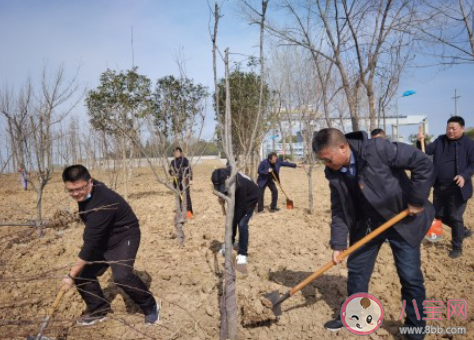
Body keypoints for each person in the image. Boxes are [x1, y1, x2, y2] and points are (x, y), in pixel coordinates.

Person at [312, 128, 434, 339]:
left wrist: (417, 199)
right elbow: (339, 208)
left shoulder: (377, 149)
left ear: (343, 147)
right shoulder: (333, 171)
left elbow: (423, 162)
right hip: (369, 221)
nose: (326, 165)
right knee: (357, 268)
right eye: (323, 161)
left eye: (328, 159)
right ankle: (355, 313)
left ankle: (415, 327)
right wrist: (339, 244)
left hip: (402, 217)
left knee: (410, 276)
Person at [61, 165, 159, 326]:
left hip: (124, 235)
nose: (75, 194)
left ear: (90, 182)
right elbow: (92, 234)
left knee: (122, 275)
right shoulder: (88, 192)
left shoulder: (102, 202)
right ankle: (99, 310)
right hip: (104, 236)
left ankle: (151, 306)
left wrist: (70, 276)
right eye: (70, 190)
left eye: (79, 189)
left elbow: (89, 245)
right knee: (83, 273)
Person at [417, 116, 474, 258]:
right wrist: (420, 142)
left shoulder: (469, 144)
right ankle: (462, 230)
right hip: (440, 186)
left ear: (462, 128)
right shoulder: (440, 140)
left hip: (458, 187)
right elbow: (426, 152)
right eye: (448, 128)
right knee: (438, 215)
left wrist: (464, 175)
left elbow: (473, 164)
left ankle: (457, 247)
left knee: (455, 216)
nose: (450, 131)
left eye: (453, 129)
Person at [211, 167, 260, 265]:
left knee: (241, 223)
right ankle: (231, 242)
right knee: (232, 219)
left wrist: (233, 219)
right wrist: (221, 197)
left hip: (250, 198)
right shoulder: (222, 176)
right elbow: (222, 191)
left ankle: (242, 254)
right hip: (237, 196)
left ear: (228, 178)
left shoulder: (240, 184)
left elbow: (241, 207)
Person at [169, 147, 193, 218]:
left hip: (185, 181)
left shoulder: (185, 160)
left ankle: (189, 213)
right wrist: (172, 173)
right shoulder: (172, 162)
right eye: (175, 152)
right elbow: (170, 170)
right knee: (179, 197)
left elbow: (189, 170)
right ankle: (182, 212)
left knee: (187, 197)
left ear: (180, 152)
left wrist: (190, 179)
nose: (176, 153)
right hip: (176, 182)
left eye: (177, 152)